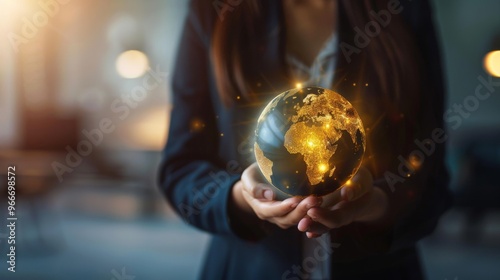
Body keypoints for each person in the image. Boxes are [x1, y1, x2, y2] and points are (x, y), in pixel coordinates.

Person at [158, 0, 452, 279]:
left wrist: (377, 204)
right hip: (247, 268)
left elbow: (432, 177)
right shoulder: (213, 10)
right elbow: (181, 169)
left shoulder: (404, 8)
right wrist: (239, 197)